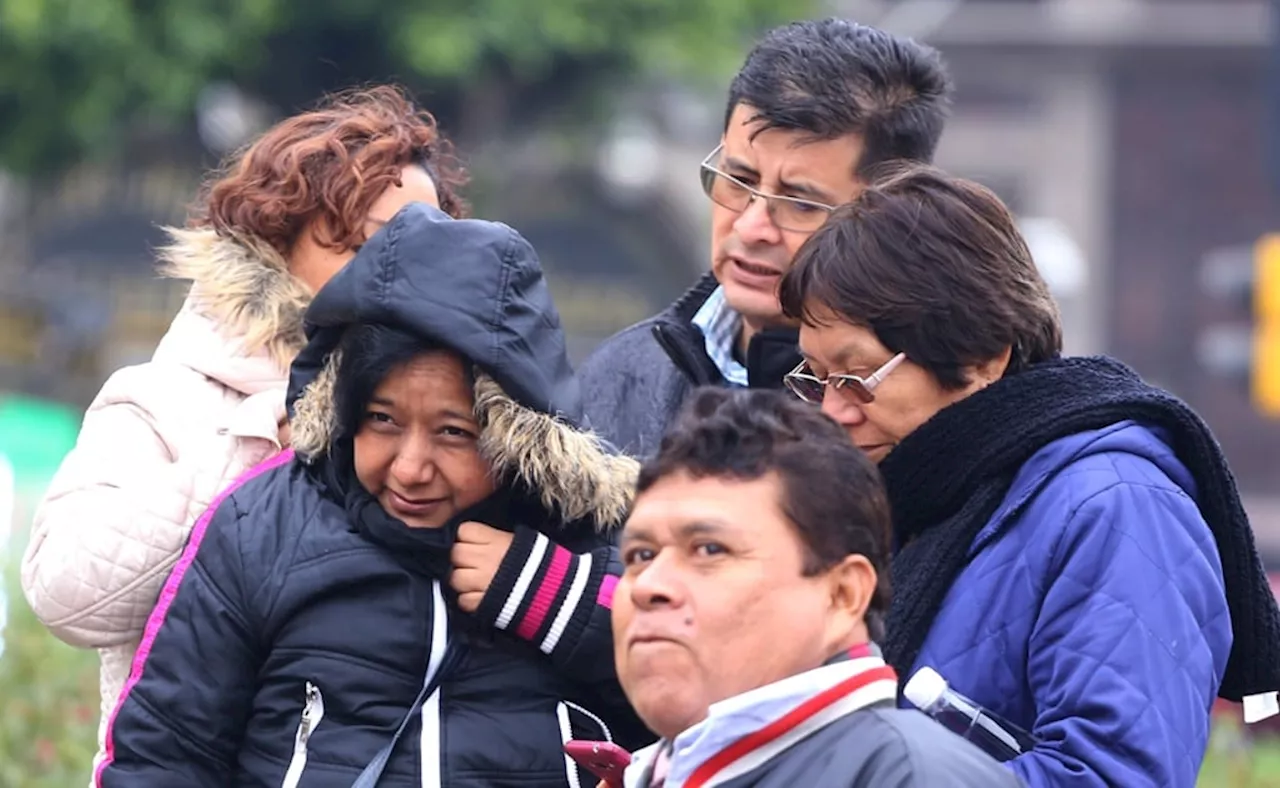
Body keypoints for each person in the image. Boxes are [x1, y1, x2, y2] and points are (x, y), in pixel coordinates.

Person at [95, 203, 652, 786]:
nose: (410, 469)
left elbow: (711, 717)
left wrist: (558, 602)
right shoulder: (262, 526)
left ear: (516, 433)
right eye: (382, 420)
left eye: (453, 432)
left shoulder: (610, 541)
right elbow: (163, 754)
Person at [777, 164, 1280, 787]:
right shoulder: (909, 494)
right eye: (816, 378)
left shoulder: (1115, 507)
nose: (833, 408)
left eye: (856, 376)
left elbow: (1111, 776)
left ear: (982, 356)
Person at [20, 84, 468, 781]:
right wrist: (267, 435)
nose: (404, 272)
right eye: (368, 244)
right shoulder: (163, 395)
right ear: (278, 243)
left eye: (431, 247)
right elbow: (66, 593)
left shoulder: (470, 412)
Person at [578, 18, 952, 458]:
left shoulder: (918, 405)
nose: (751, 228)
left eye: (801, 203)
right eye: (738, 180)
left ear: (890, 211)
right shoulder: (622, 371)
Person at [608, 387, 1019, 787]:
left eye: (710, 549)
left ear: (843, 595)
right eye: (640, 555)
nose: (650, 585)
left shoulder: (914, 778)